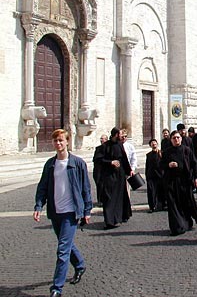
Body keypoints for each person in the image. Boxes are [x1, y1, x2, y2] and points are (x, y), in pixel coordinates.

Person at [33, 129, 92, 297]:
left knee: (62, 250)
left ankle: (56, 288)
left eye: (61, 140)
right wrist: (38, 206)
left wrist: (87, 210)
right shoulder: (50, 164)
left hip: (70, 212)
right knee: (66, 243)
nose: (58, 143)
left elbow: (85, 188)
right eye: (55, 141)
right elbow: (42, 187)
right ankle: (80, 265)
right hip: (55, 211)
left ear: (67, 142)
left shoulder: (78, 163)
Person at [162, 130, 197, 236]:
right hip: (171, 182)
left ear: (181, 139)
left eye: (178, 138)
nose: (176, 140)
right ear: (171, 140)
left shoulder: (187, 150)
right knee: (173, 204)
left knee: (185, 203)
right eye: (174, 138)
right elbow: (161, 165)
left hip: (185, 182)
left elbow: (194, 164)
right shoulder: (166, 152)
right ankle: (176, 226)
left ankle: (187, 222)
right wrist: (168, 165)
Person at [96, 127, 132, 229]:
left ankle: (121, 216)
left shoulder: (120, 145)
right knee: (109, 197)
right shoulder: (105, 146)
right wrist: (110, 162)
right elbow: (98, 159)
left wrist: (129, 170)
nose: (122, 136)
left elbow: (124, 158)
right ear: (116, 135)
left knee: (120, 196)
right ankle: (110, 221)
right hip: (109, 176)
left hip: (120, 175)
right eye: (120, 134)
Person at [145, 138, 164, 213]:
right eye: (152, 143)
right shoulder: (148, 155)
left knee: (160, 191)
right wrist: (147, 176)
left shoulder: (161, 153)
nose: (154, 144)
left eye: (155, 143)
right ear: (150, 145)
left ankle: (160, 205)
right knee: (151, 191)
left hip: (160, 175)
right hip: (151, 176)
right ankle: (152, 206)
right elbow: (147, 166)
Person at [92, 134, 108, 206]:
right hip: (98, 170)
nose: (101, 140)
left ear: (106, 140)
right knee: (99, 185)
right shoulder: (98, 148)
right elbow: (95, 159)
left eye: (103, 139)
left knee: (104, 185)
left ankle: (105, 199)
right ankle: (100, 200)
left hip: (105, 170)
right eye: (101, 138)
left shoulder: (108, 148)